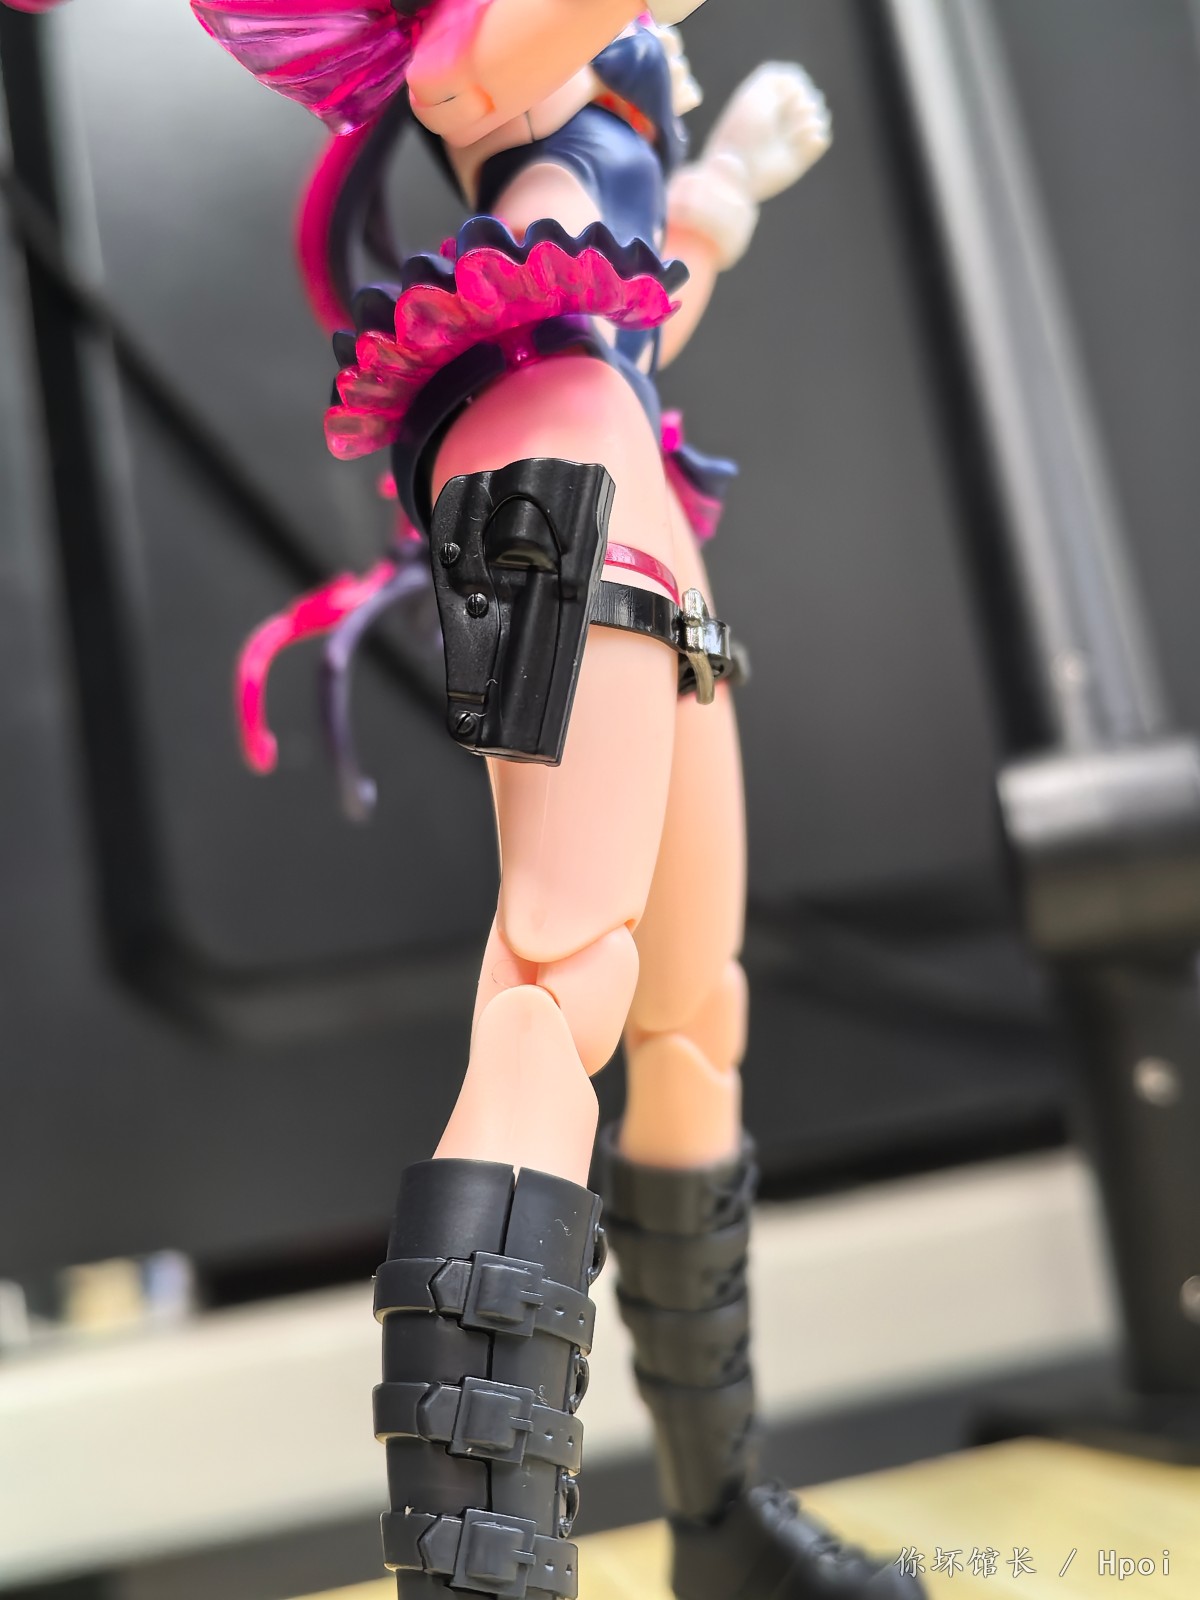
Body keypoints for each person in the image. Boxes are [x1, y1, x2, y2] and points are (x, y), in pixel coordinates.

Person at [195, 3, 923, 1595]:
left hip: (620, 443)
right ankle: (484, 1575)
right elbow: (468, 71)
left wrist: (719, 193)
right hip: (556, 450)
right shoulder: (492, 44)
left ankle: (721, 1524)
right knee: (554, 983)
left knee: (691, 1012)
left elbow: (633, 290)